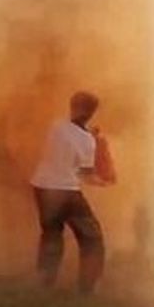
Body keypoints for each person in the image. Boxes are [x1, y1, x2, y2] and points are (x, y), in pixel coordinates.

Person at [30, 91, 113, 294]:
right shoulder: (87, 141)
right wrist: (102, 182)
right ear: (91, 112)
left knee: (51, 234)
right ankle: (87, 287)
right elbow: (85, 174)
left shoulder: (56, 127)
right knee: (92, 238)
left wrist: (88, 134)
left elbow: (71, 137)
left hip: (42, 186)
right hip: (66, 191)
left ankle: (44, 282)